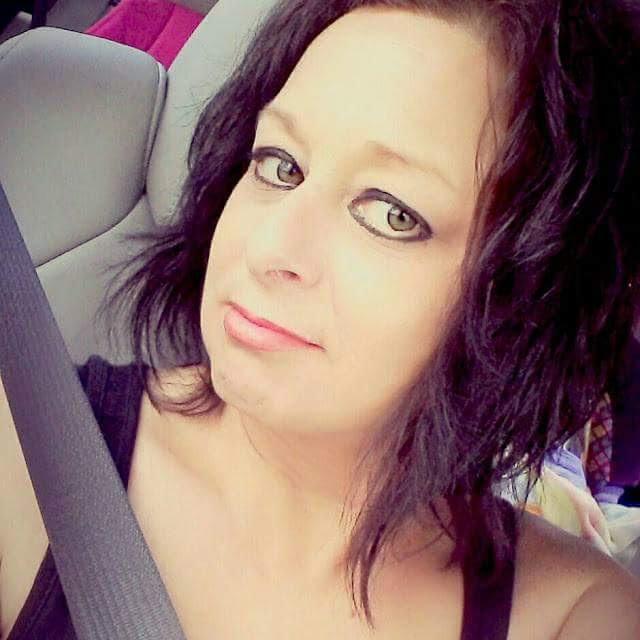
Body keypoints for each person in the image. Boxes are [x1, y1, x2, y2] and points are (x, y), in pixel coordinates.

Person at [1, 0, 640, 638]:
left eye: (390, 213)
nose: (268, 248)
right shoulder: (23, 455)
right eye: (280, 166)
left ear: (529, 298)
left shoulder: (574, 613)